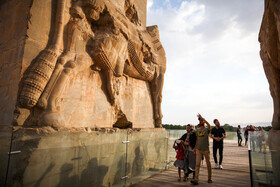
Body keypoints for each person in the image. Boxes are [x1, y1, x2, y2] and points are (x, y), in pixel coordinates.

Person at [191, 114, 212, 185]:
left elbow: (209, 126)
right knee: (197, 165)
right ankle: (196, 179)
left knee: (208, 164)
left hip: (206, 149)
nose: (200, 121)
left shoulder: (206, 129)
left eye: (201, 121)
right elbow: (197, 139)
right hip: (199, 150)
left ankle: (209, 178)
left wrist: (203, 118)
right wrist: (195, 148)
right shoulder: (198, 130)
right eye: (200, 121)